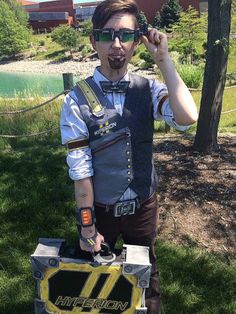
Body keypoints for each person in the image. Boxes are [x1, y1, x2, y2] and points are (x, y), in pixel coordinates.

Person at [60, 0, 198, 313]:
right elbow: (81, 173)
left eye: (126, 35)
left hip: (143, 205)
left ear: (138, 41)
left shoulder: (148, 89)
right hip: (101, 209)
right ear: (93, 41)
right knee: (99, 281)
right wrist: (87, 226)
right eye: (107, 35)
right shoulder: (76, 100)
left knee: (147, 277)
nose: (117, 45)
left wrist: (164, 61)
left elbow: (188, 116)